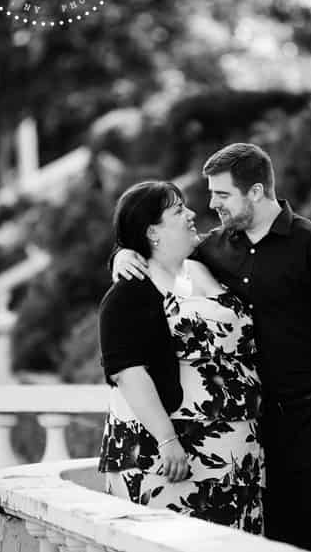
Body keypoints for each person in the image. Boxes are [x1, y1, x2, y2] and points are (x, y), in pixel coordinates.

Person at [112, 143, 311, 552]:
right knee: (274, 539)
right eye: (211, 193)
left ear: (255, 192)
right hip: (261, 430)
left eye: (222, 194)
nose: (211, 204)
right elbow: (158, 253)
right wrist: (123, 254)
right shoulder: (213, 249)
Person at [98, 180, 263, 533]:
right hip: (173, 457)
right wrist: (168, 441)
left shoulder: (206, 262)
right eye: (178, 211)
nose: (192, 214)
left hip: (236, 456)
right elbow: (130, 374)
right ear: (152, 232)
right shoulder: (128, 294)